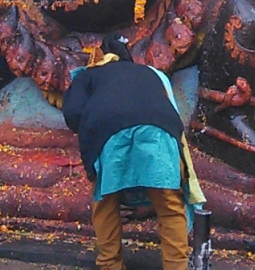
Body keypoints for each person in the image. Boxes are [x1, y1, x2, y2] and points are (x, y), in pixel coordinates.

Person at [62, 33, 204, 270]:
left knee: (105, 200)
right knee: (169, 203)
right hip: (160, 129)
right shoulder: (150, 73)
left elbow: (73, 113)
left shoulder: (89, 75)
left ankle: (110, 264)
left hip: (107, 130)